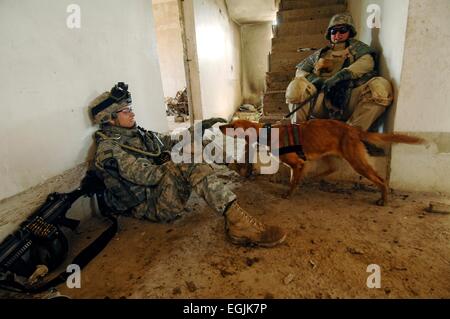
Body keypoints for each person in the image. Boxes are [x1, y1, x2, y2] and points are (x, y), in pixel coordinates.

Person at [88, 82, 286, 248]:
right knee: (189, 161)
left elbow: (170, 140)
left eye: (130, 109)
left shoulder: (135, 133)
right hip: (152, 205)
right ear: (110, 119)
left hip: (161, 189)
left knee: (201, 145)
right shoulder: (109, 150)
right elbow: (149, 176)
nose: (132, 114)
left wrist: (200, 128)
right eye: (126, 111)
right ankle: (239, 224)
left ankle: (240, 167)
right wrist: (180, 157)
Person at [285, 12, 393, 131]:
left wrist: (340, 76)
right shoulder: (320, 54)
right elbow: (301, 70)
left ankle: (351, 135)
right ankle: (299, 133)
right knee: (296, 86)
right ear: (329, 34)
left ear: (350, 32)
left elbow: (367, 63)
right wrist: (316, 80)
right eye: (333, 31)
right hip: (322, 98)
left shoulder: (360, 50)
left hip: (350, 97)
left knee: (380, 88)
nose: (337, 34)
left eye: (342, 30)